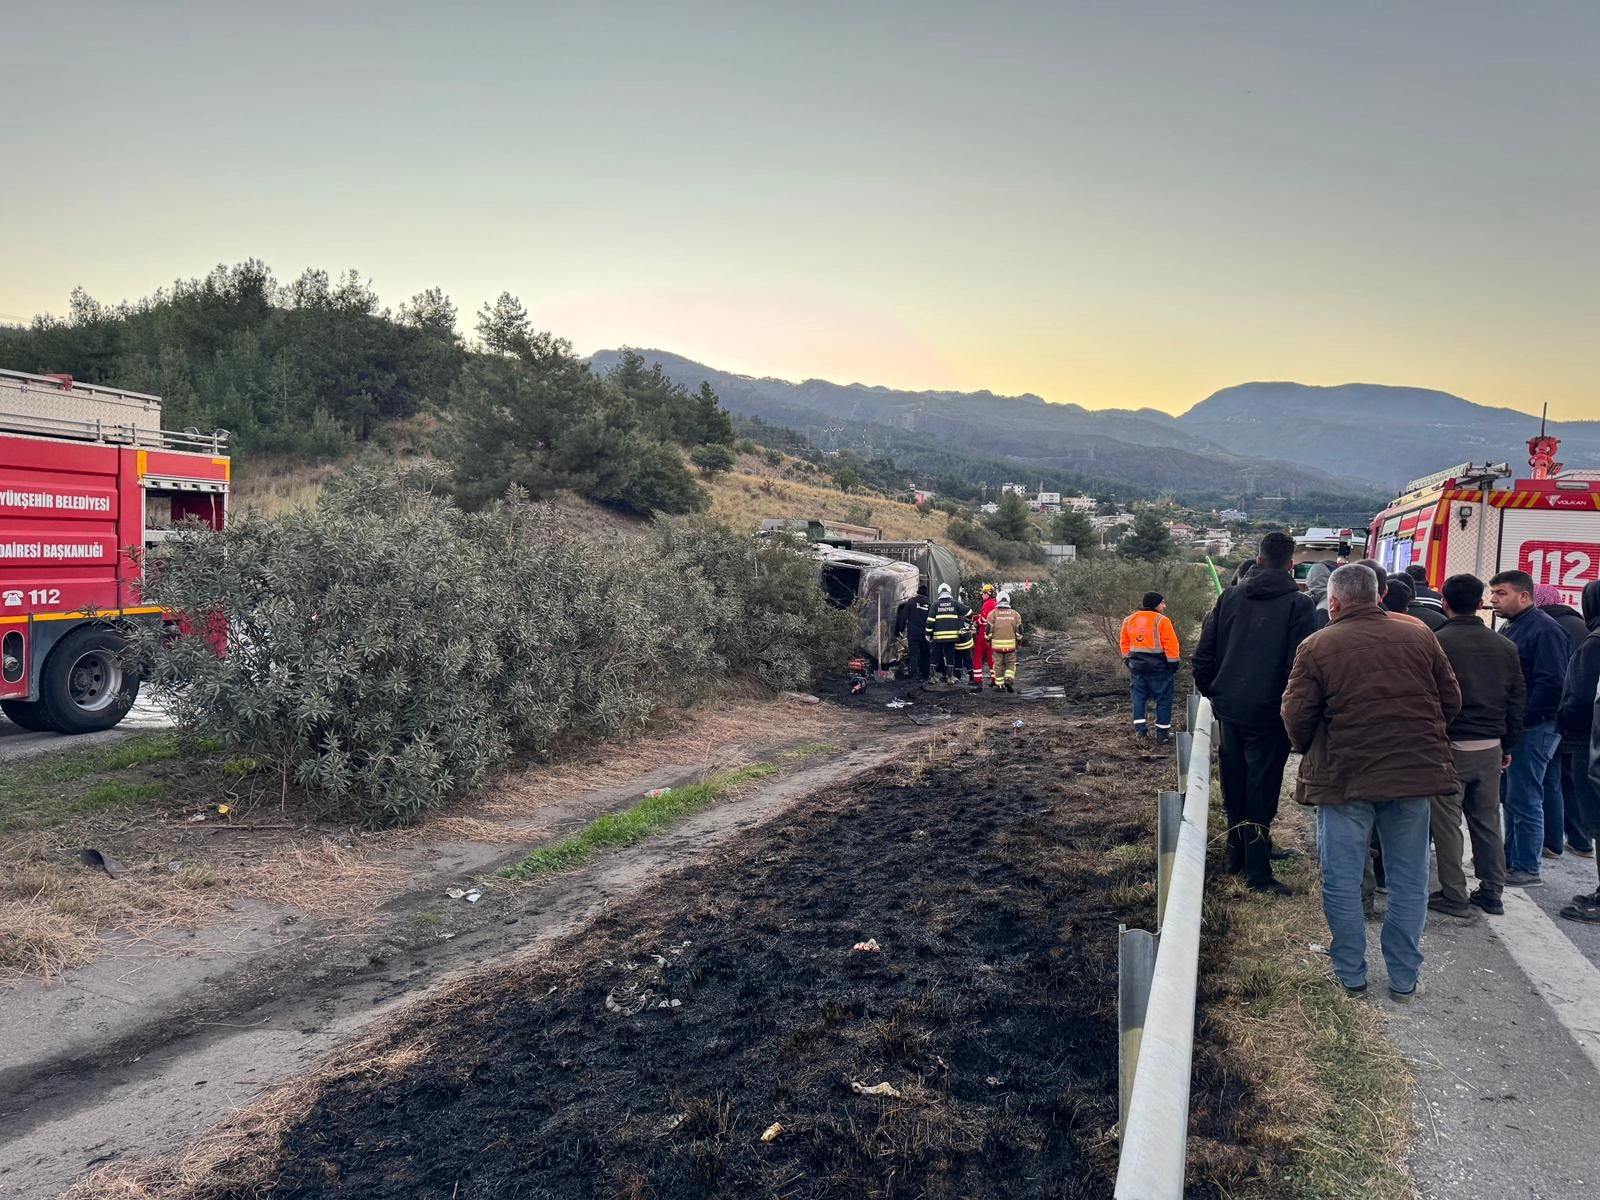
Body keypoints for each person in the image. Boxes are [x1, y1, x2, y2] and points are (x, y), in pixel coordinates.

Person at [1282, 564, 1461, 1003]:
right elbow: (1451, 699)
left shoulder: (1317, 645)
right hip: (1412, 776)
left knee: (1341, 880)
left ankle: (1351, 974)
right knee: (1409, 880)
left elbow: (1296, 715)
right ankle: (1403, 977)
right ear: (1380, 595)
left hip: (1345, 777)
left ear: (1336, 602)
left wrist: (1312, 746)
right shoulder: (1420, 635)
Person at [1193, 531, 1315, 893]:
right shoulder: (1300, 605)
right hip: (1270, 714)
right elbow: (1301, 666)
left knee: (1235, 785)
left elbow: (1203, 655)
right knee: (1262, 791)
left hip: (1231, 709)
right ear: (1291, 565)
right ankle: (1257, 873)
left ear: (1258, 559)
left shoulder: (1228, 597)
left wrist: (1216, 695)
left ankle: (1237, 858)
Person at [1431, 574, 1525, 917]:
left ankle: (1454, 893)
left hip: (1449, 746)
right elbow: (1517, 698)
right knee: (1486, 821)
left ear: (1445, 602)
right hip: (1490, 747)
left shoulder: (1436, 642)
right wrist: (1508, 744)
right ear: (1481, 604)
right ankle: (1492, 891)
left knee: (1446, 823)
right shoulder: (1504, 645)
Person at [1489, 569, 1570, 887]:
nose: (1494, 599)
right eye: (1493, 592)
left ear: (1524, 596)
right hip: (1521, 726)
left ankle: (1526, 866)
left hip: (1536, 727)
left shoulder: (1543, 630)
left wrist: (1522, 721)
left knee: (1526, 796)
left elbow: (1551, 683)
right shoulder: (1515, 625)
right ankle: (1511, 857)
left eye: (1501, 593)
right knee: (1513, 796)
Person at [1536, 582, 1590, 862]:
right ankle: (1581, 840)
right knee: (1573, 780)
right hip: (1584, 719)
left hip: (1557, 713)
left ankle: (1551, 840)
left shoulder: (1545, 626)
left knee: (1550, 779)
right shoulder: (1582, 625)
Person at [1555, 580, 1600, 861]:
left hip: (1588, 739)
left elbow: (1581, 693)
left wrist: (1565, 723)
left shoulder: (1594, 642)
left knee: (1595, 816)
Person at [1120, 591, 1180, 741]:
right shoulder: (1162, 621)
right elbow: (1171, 644)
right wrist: (1173, 665)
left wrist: (1128, 660)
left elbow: (1124, 642)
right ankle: (1162, 735)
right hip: (1159, 669)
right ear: (1156, 604)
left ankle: (1141, 732)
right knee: (1163, 699)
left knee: (1138, 699)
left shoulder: (1128, 620)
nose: (1164, 606)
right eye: (1162, 603)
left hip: (1137, 668)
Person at [924, 583, 970, 687]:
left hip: (938, 637)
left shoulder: (935, 604)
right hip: (951, 637)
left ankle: (931, 677)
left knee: (935, 655)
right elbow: (969, 611)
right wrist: (967, 624)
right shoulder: (955, 604)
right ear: (949, 592)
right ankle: (950, 678)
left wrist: (928, 634)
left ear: (939, 592)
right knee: (950, 656)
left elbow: (930, 621)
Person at [987, 591, 1024, 692]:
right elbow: (1019, 631)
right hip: (1011, 645)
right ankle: (1008, 678)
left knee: (998, 665)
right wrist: (1019, 642)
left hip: (996, 646)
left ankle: (1000, 685)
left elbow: (988, 630)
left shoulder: (992, 614)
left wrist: (987, 639)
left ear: (997, 600)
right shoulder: (1015, 614)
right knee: (1011, 663)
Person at [896, 584, 931, 684]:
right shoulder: (929, 604)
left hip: (913, 633)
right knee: (925, 655)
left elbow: (903, 617)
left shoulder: (911, 602)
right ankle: (925, 675)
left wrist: (900, 629)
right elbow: (932, 620)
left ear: (918, 592)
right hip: (925, 633)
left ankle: (913, 675)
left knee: (914, 655)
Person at [973, 583, 997, 686]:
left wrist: (976, 622)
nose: (982, 596)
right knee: (991, 657)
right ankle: (995, 680)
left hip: (984, 632)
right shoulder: (994, 603)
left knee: (977, 656)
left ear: (987, 594)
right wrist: (976, 616)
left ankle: (978, 680)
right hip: (992, 633)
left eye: (982, 594)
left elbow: (984, 619)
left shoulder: (987, 604)